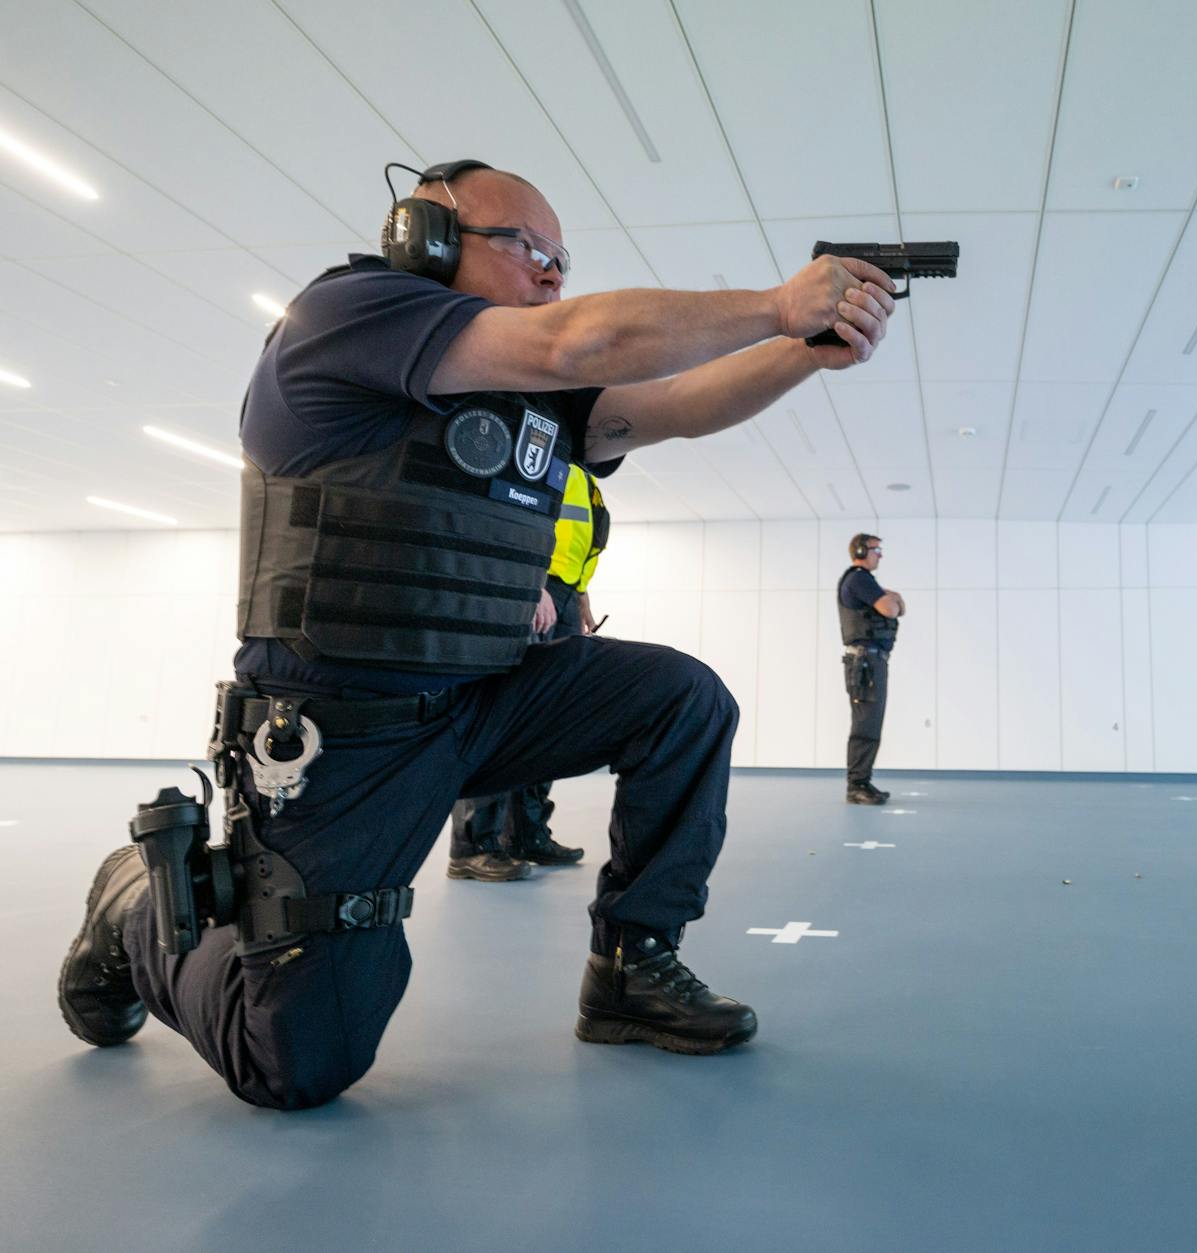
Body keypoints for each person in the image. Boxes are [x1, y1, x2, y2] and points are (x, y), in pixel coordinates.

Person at [57, 159, 898, 1110]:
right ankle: (130, 901)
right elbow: (581, 342)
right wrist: (778, 304)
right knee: (294, 1062)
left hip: (486, 696)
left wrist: (807, 347)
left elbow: (674, 410)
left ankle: (631, 965)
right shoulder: (352, 314)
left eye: (562, 262)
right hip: (347, 728)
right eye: (531, 250)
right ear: (430, 235)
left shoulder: (534, 396)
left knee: (683, 698)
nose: (552, 275)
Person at [447, 459, 611, 881]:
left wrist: (579, 593)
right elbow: (509, 517)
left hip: (562, 592)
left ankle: (525, 834)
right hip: (526, 584)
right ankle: (473, 846)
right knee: (501, 713)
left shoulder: (584, 476)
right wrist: (529, 582)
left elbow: (577, 542)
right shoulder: (538, 458)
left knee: (548, 720)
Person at [837, 533, 905, 804]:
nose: (880, 555)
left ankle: (863, 781)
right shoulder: (858, 578)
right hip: (864, 663)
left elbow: (901, 608)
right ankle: (856, 786)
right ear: (862, 550)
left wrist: (896, 598)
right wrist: (894, 598)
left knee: (871, 722)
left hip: (871, 661)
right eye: (877, 549)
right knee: (865, 723)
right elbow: (890, 609)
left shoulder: (866, 581)